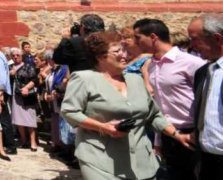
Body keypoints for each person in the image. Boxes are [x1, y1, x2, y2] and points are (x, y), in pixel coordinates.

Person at [61, 31, 194, 179]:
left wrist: (177, 135)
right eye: (118, 51)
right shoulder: (83, 78)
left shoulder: (135, 79)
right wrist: (103, 127)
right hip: (99, 158)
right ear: (99, 57)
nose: (125, 54)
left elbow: (154, 114)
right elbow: (69, 111)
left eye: (124, 50)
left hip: (141, 161)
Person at [133, 18, 206, 178]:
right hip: (169, 134)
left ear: (153, 37)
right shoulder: (151, 65)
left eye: (138, 37)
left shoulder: (191, 63)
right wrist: (159, 142)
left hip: (193, 135)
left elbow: (207, 98)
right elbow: (159, 105)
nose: (135, 42)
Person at [188, 14, 223, 178]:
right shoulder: (202, 72)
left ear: (217, 38)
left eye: (195, 39)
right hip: (206, 161)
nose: (191, 45)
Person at [10, 47, 38, 152]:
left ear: (22, 56)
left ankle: (33, 142)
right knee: (18, 120)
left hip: (27, 96)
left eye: (18, 55)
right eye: (13, 55)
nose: (15, 57)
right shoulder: (10, 67)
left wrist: (26, 87)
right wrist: (10, 74)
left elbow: (35, 79)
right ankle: (23, 140)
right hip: (15, 96)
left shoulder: (28, 66)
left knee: (29, 119)